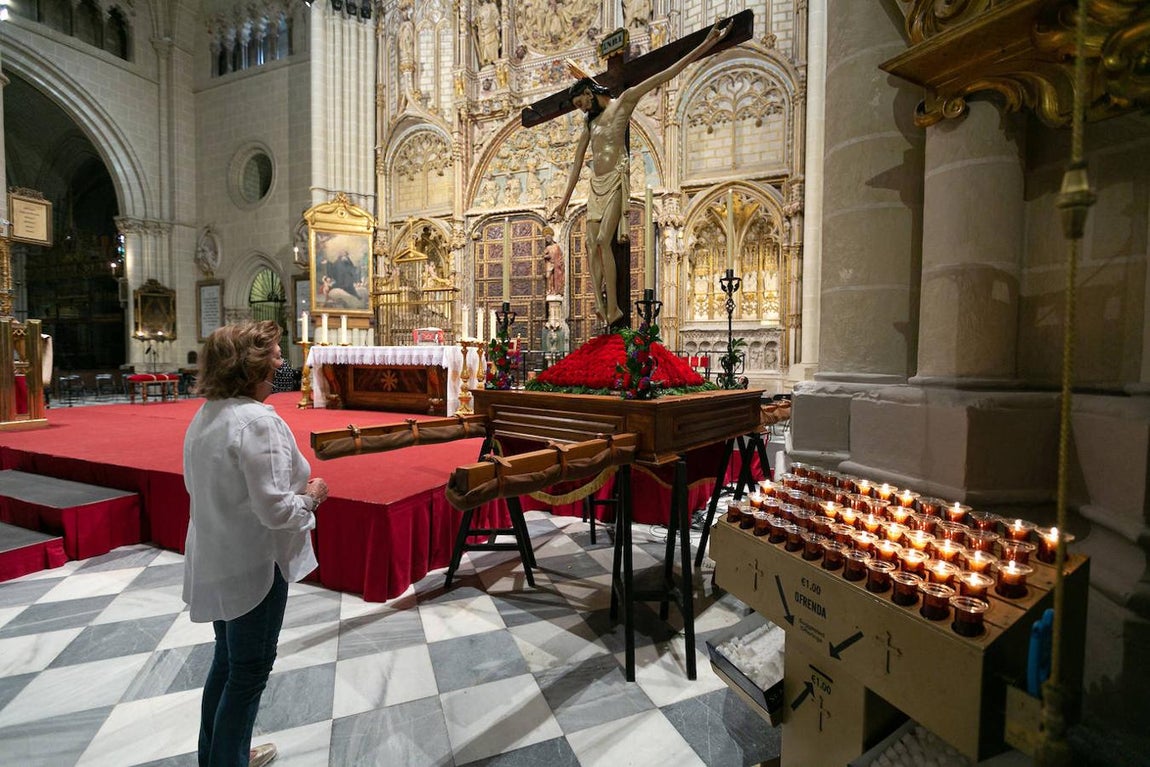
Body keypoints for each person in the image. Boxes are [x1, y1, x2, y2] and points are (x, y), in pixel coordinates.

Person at [183, 321, 329, 767]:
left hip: (219, 557)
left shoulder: (208, 413)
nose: (283, 362)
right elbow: (276, 511)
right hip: (254, 567)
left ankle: (219, 754)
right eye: (274, 356)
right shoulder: (258, 421)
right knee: (248, 672)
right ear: (249, 366)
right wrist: (313, 497)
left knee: (227, 662)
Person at [548, 19, 731, 326]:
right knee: (589, 245)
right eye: (578, 106)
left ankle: (616, 306)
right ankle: (600, 303)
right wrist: (564, 202)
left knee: (605, 240)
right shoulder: (590, 123)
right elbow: (578, 161)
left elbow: (666, 73)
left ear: (591, 94)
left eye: (582, 102)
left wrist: (707, 44)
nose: (582, 109)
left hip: (617, 179)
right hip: (596, 185)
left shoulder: (624, 103)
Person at [475, 0, 501, 67]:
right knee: (484, 48)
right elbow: (478, 22)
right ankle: (486, 62)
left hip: (491, 30)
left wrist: (497, 25)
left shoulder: (492, 6)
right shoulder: (479, 10)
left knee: (491, 45)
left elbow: (496, 17)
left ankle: (493, 61)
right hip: (483, 33)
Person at [543, 229, 565, 296]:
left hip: (556, 265)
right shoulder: (547, 247)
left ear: (551, 237)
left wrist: (558, 263)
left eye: (548, 237)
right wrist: (546, 256)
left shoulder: (556, 246)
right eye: (546, 238)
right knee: (548, 277)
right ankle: (550, 290)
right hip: (549, 264)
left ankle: (556, 290)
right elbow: (543, 255)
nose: (547, 239)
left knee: (556, 277)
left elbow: (560, 257)